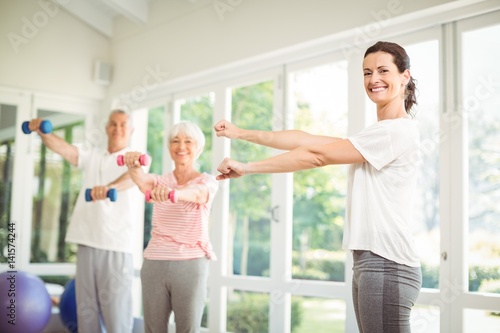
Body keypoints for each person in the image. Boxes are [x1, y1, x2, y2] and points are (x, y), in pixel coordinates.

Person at [214, 41, 422, 332]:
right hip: (370, 262)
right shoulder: (374, 135)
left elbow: (316, 156)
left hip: (386, 262)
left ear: (404, 76)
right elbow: (306, 140)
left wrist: (248, 167)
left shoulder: (396, 131)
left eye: (383, 70)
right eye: (366, 72)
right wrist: (240, 133)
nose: (373, 79)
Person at [27, 110, 144, 333]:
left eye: (123, 125)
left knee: (116, 316)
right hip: (87, 241)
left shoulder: (134, 158)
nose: (118, 128)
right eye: (113, 124)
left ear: (131, 130)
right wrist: (42, 132)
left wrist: (109, 188)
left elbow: (133, 177)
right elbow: (66, 150)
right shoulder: (94, 156)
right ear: (106, 127)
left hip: (115, 245)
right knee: (85, 313)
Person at [121, 121, 219, 333]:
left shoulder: (207, 181)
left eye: (188, 141)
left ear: (198, 148)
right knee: (153, 330)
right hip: (155, 261)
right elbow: (142, 181)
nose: (181, 146)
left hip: (190, 263)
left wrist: (174, 194)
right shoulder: (160, 180)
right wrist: (133, 165)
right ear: (169, 147)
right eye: (175, 141)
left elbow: (198, 194)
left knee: (187, 329)